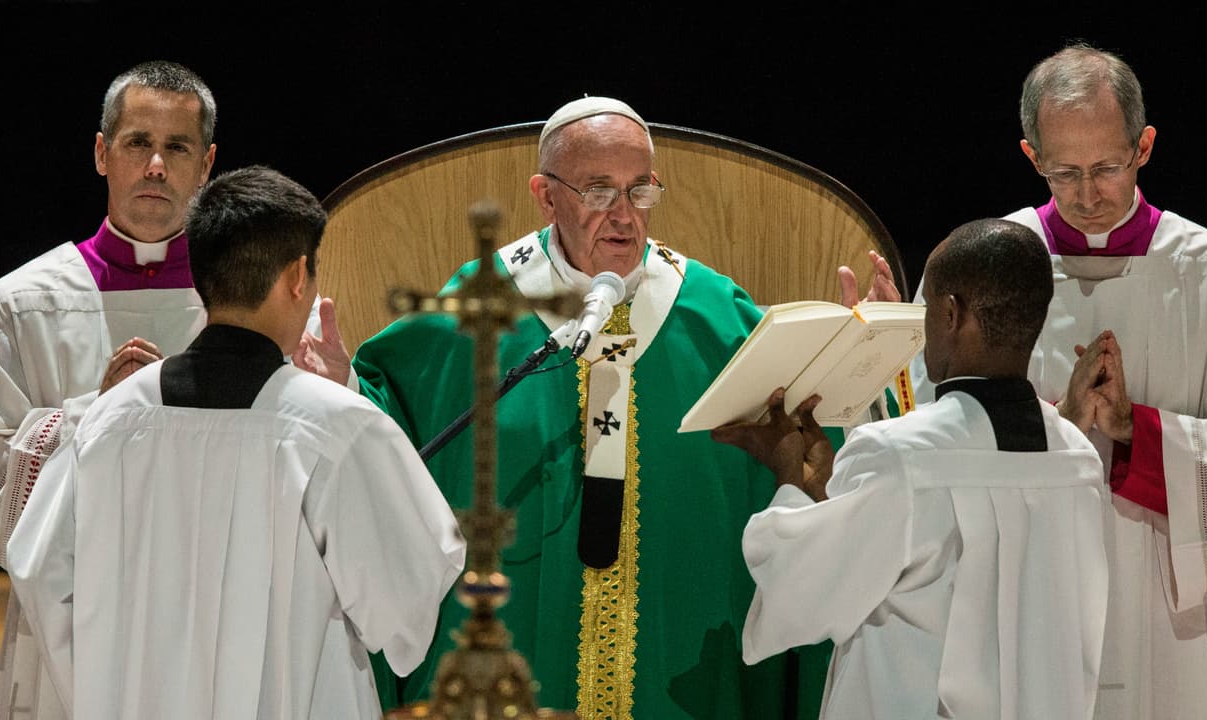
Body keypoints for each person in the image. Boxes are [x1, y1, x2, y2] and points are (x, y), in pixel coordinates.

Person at [342, 96, 896, 719]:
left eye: (641, 191)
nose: (625, 217)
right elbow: (391, 411)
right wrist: (344, 390)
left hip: (679, 653)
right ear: (546, 197)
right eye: (599, 192)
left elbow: (810, 430)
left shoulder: (713, 313)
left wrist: (867, 354)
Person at [5, 164, 466, 720]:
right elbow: (408, 602)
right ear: (299, 276)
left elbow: (38, 571)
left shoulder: (107, 423)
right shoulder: (337, 426)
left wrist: (108, 686)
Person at [908, 42, 1207, 719]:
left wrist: (1134, 433)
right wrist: (882, 347)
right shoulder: (977, 271)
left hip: (1170, 612)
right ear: (1030, 157)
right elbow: (918, 446)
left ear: (1144, 145)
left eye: (1108, 167)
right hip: (1024, 598)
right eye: (1063, 172)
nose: (1087, 195)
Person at [718, 218, 1109, 719]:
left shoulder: (899, 457)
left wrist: (789, 478)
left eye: (925, 309)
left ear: (950, 313)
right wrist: (829, 494)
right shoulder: (1075, 456)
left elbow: (800, 597)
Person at [0, 60, 219, 720]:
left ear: (207, 164)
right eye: (137, 143)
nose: (156, 166)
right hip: (65, 633)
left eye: (177, 147)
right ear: (103, 153)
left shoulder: (246, 308)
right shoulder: (15, 307)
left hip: (208, 618)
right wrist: (95, 419)